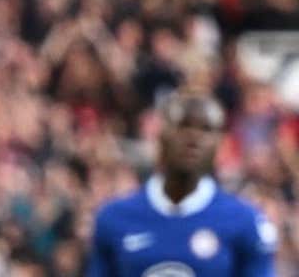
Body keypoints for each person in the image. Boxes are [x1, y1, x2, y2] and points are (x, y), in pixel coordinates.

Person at [88, 92, 277, 276]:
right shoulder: (114, 217)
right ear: (161, 134)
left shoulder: (244, 221)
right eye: (183, 126)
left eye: (206, 129)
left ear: (219, 142)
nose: (193, 138)